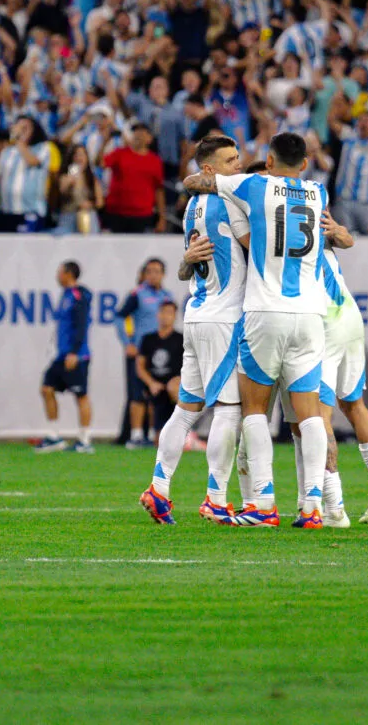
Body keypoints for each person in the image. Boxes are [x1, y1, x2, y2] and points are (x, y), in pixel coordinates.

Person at [182, 132, 330, 528]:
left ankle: (263, 504)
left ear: (267, 160)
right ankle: (312, 504)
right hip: (311, 314)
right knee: (309, 414)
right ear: (304, 164)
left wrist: (214, 181)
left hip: (266, 310)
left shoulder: (255, 184)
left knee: (253, 410)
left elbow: (196, 182)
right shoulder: (318, 192)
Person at [141, 135, 245, 525]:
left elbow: (193, 258)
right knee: (228, 411)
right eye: (230, 160)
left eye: (238, 158)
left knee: (185, 411)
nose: (238, 165)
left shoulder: (191, 208)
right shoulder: (230, 203)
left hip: (197, 312)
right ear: (208, 169)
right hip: (222, 316)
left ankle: (159, 487)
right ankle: (217, 498)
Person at [314, 241, 368, 525]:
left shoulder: (288, 238)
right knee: (353, 405)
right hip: (350, 316)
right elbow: (345, 238)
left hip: (326, 321)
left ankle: (335, 507)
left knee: (319, 413)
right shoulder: (318, 228)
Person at [35, 260, 94, 454]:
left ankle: (84, 440)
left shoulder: (79, 295)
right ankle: (54, 436)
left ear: (69, 273)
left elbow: (81, 324)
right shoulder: (66, 295)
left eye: (59, 272)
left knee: (81, 395)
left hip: (76, 356)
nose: (57, 275)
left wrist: (74, 352)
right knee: (46, 389)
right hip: (61, 355)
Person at [115, 258, 173, 448]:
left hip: (159, 353)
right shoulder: (137, 294)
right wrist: (127, 342)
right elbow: (119, 317)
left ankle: (151, 434)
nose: (153, 275)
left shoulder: (167, 296)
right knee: (136, 393)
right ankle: (135, 435)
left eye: (157, 271)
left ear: (163, 274)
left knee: (155, 394)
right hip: (139, 351)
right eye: (149, 271)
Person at [135, 301, 184, 441]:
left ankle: (183, 430)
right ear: (158, 314)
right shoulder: (148, 339)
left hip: (174, 383)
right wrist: (151, 383)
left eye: (169, 313)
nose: (165, 316)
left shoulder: (181, 339)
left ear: (175, 316)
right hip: (153, 382)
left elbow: (189, 366)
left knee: (175, 388)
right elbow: (140, 366)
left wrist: (177, 381)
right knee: (137, 393)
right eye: (163, 312)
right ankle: (137, 435)